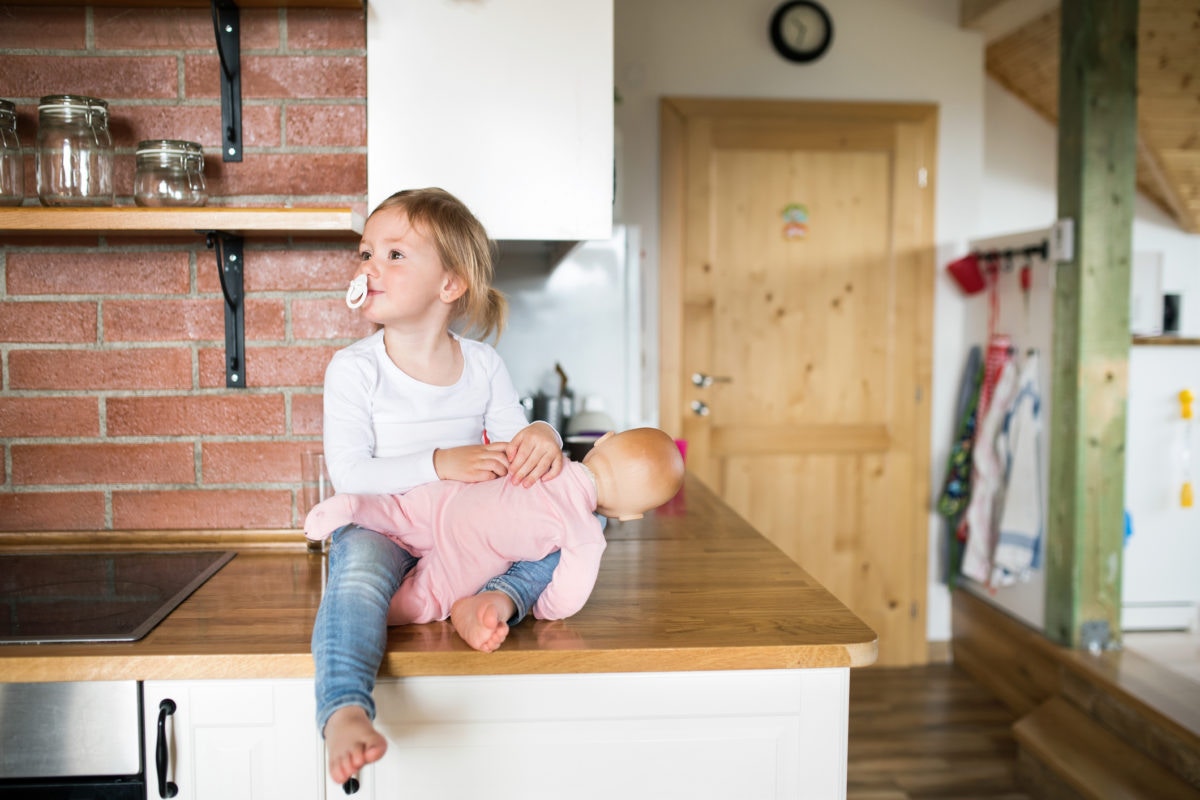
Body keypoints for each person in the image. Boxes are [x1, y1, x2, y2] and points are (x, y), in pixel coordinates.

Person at [313, 187, 565, 785]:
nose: (369, 266)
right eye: (366, 252)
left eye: (394, 255)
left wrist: (542, 436)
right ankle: (344, 709)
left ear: (449, 285)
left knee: (556, 538)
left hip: (462, 529)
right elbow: (349, 473)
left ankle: (491, 599)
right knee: (355, 580)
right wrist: (440, 462)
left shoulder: (481, 365)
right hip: (385, 524)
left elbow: (511, 442)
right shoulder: (354, 369)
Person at [304, 427, 685, 625]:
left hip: (450, 498)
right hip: (473, 552)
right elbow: (563, 601)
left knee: (399, 512)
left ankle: (354, 506)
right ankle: (373, 613)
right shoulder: (585, 532)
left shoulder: (547, 459)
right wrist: (544, 609)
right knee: (428, 598)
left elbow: (502, 453)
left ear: (603, 441)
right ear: (631, 515)